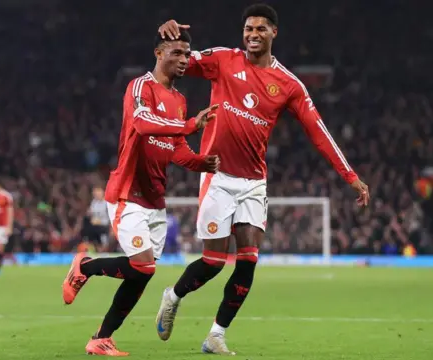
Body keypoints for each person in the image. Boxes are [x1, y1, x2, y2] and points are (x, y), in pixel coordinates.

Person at [155, 4, 370, 355]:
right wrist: (172, 35)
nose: (252, 35)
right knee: (212, 261)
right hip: (218, 175)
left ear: (274, 33)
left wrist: (351, 176)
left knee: (249, 258)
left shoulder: (289, 84)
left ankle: (216, 334)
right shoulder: (223, 59)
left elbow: (318, 132)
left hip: (254, 182)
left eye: (260, 29)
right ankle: (173, 295)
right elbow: (178, 60)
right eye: (248, 29)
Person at [61, 28, 220, 356]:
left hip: (154, 200)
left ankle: (101, 337)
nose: (182, 60)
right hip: (127, 192)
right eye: (175, 52)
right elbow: (143, 122)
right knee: (144, 267)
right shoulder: (140, 87)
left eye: (186, 55)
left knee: (140, 275)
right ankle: (85, 265)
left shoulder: (179, 101)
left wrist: (202, 163)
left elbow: (176, 148)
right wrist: (190, 125)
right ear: (159, 53)